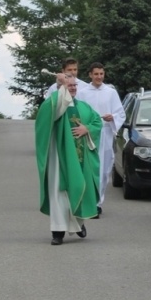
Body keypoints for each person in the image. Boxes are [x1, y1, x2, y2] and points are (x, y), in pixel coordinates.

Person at [35, 73, 102, 244]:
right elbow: (54, 109)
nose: (72, 88)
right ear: (60, 89)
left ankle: (79, 224)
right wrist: (61, 85)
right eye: (68, 85)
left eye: (74, 85)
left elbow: (97, 122)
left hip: (80, 158)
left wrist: (87, 129)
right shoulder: (54, 105)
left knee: (79, 187)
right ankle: (57, 232)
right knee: (59, 192)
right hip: (58, 158)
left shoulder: (84, 107)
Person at [75, 62, 125, 214]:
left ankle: (98, 202)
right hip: (88, 134)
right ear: (90, 75)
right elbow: (77, 112)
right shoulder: (82, 93)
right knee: (89, 168)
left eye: (101, 74)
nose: (99, 77)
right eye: (96, 74)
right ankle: (87, 201)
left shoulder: (110, 92)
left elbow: (120, 113)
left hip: (105, 133)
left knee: (103, 169)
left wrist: (113, 117)